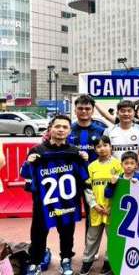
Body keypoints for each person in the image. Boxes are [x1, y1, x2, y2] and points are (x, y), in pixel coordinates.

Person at [21, 115, 89, 275]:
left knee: (67, 232)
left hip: (67, 202)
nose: (61, 130)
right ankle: (36, 261)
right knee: (38, 232)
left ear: (69, 131)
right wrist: (28, 162)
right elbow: (26, 175)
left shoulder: (75, 152)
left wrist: (84, 161)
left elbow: (85, 177)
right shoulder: (37, 151)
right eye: (57, 126)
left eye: (65, 127)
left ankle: (66, 259)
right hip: (43, 202)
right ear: (50, 128)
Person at [79, 136, 122, 275]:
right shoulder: (91, 166)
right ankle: (87, 261)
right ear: (95, 149)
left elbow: (122, 188)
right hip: (96, 209)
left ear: (111, 147)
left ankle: (109, 262)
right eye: (98, 146)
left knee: (113, 237)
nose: (102, 148)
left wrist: (113, 206)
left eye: (105, 145)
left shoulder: (117, 165)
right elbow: (87, 188)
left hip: (111, 209)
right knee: (92, 237)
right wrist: (93, 204)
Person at [103, 100, 139, 165]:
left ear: (134, 113)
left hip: (136, 171)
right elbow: (106, 152)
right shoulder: (108, 131)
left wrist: (131, 166)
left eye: (129, 111)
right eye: (123, 111)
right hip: (114, 171)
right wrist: (117, 167)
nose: (126, 114)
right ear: (117, 113)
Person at [68, 95, 107, 164]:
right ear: (75, 111)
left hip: (96, 173)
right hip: (74, 173)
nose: (83, 111)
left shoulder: (102, 131)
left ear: (92, 111)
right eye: (80, 108)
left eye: (87, 109)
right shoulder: (67, 130)